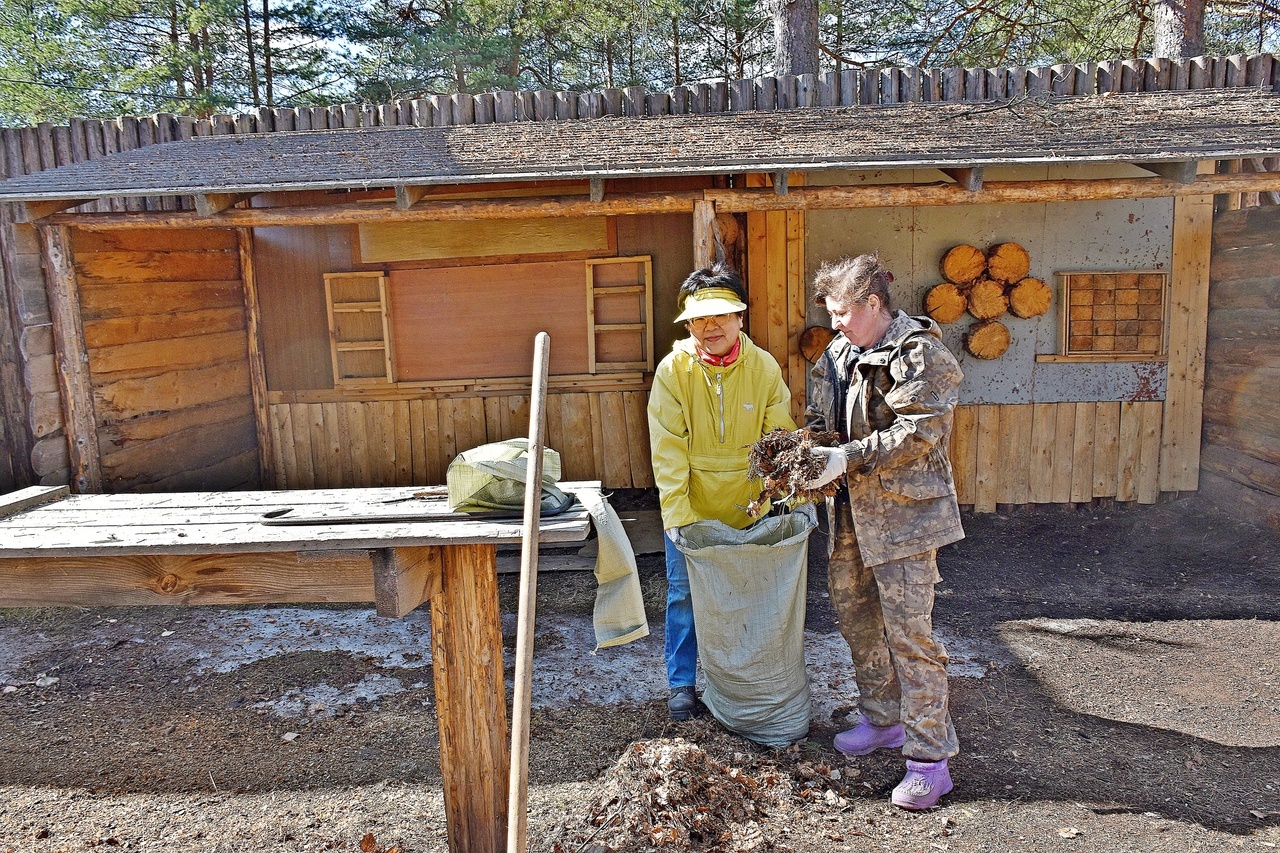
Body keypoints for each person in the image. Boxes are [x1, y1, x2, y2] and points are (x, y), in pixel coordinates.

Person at [801, 254, 964, 810]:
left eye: (843, 312)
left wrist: (844, 457)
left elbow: (919, 430)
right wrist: (805, 459)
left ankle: (929, 760)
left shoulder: (920, 352)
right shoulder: (839, 352)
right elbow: (818, 418)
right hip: (849, 517)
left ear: (874, 303)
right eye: (832, 313)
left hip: (905, 517)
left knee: (909, 636)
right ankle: (883, 720)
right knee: (858, 622)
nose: (836, 323)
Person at [647, 264, 796, 720]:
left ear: (740, 319)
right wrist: (677, 516)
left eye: (720, 317)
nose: (709, 328)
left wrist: (781, 496)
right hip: (692, 507)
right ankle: (681, 684)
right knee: (684, 596)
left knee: (749, 597)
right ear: (688, 322)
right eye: (699, 319)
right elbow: (667, 450)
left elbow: (779, 439)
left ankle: (741, 684)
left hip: (750, 506)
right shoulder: (674, 370)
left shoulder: (764, 367)